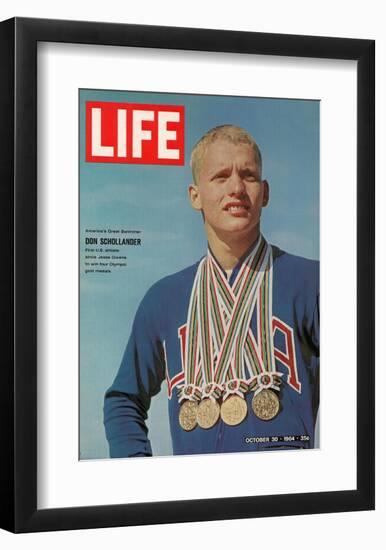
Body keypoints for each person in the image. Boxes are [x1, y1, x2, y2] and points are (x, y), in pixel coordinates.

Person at [103, 125, 319, 458]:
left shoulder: (312, 282)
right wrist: (137, 476)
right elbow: (123, 399)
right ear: (195, 195)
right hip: (196, 499)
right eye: (220, 176)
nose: (236, 187)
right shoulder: (163, 299)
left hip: (284, 494)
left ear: (265, 191)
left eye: (247, 176)